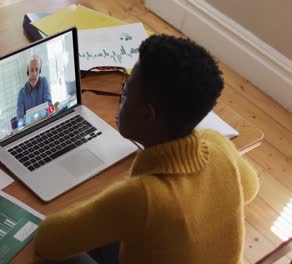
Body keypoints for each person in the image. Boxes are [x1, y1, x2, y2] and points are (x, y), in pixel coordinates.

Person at [34, 34, 259, 264]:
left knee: (45, 256)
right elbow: (250, 187)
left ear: (147, 114)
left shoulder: (142, 198)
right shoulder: (218, 144)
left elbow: (47, 240)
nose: (122, 98)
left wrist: (106, 204)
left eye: (127, 92)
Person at [16, 55, 52, 122]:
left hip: (45, 122)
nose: (34, 73)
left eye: (37, 70)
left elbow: (49, 105)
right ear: (28, 71)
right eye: (31, 70)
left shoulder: (44, 82)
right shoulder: (21, 93)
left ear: (40, 71)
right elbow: (20, 120)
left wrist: (49, 111)